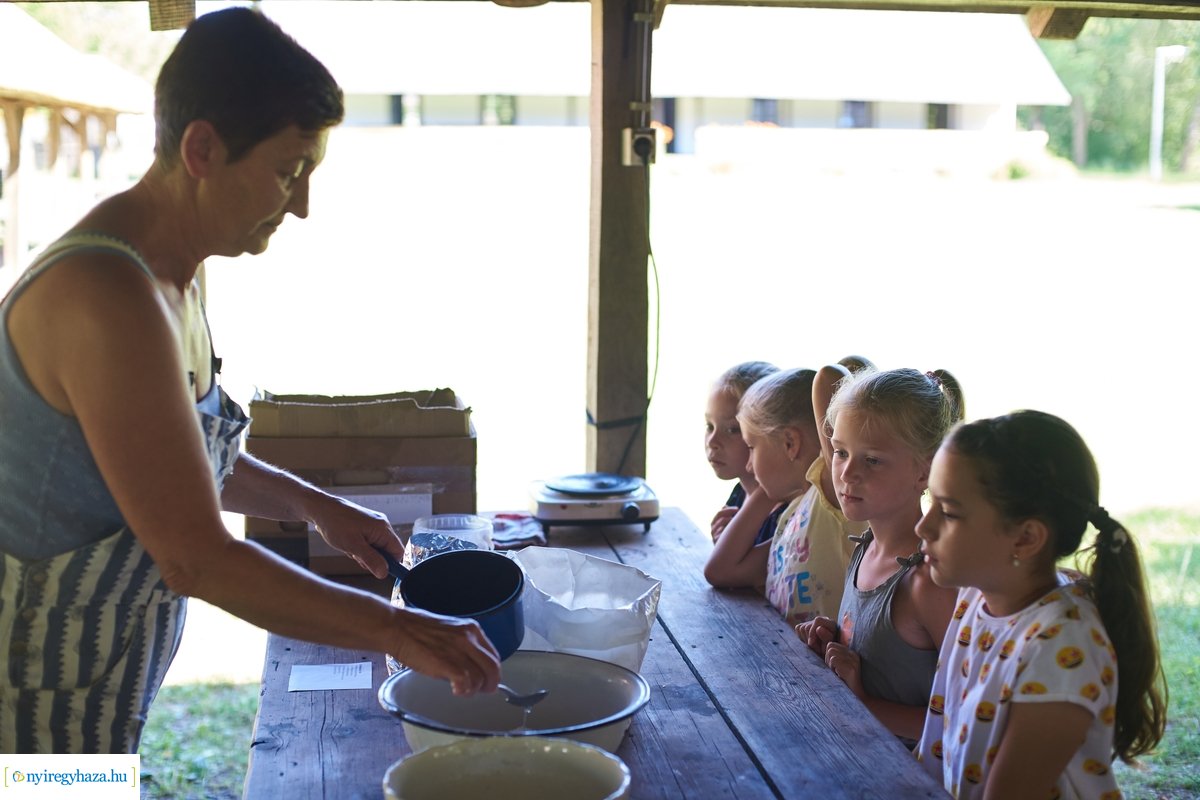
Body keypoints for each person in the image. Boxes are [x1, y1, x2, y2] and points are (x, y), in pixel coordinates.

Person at [0, 7, 499, 754]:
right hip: (25, 697)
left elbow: (169, 460)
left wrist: (315, 505)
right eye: (288, 171)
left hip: (94, 674)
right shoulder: (103, 296)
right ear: (202, 148)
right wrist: (399, 629)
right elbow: (194, 556)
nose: (300, 205)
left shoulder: (176, 278)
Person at [913, 410, 1167, 799]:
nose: (923, 526)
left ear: (1026, 539)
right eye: (930, 501)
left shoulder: (1063, 647)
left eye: (948, 512)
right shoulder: (977, 595)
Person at [797, 366, 963, 747]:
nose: (846, 473)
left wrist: (862, 702)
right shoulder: (867, 545)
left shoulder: (928, 581)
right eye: (840, 452)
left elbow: (965, 723)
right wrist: (835, 641)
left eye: (872, 460)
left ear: (926, 471)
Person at [703, 361, 782, 546]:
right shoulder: (740, 493)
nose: (712, 442)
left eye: (732, 430)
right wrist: (723, 540)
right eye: (709, 426)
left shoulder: (784, 515)